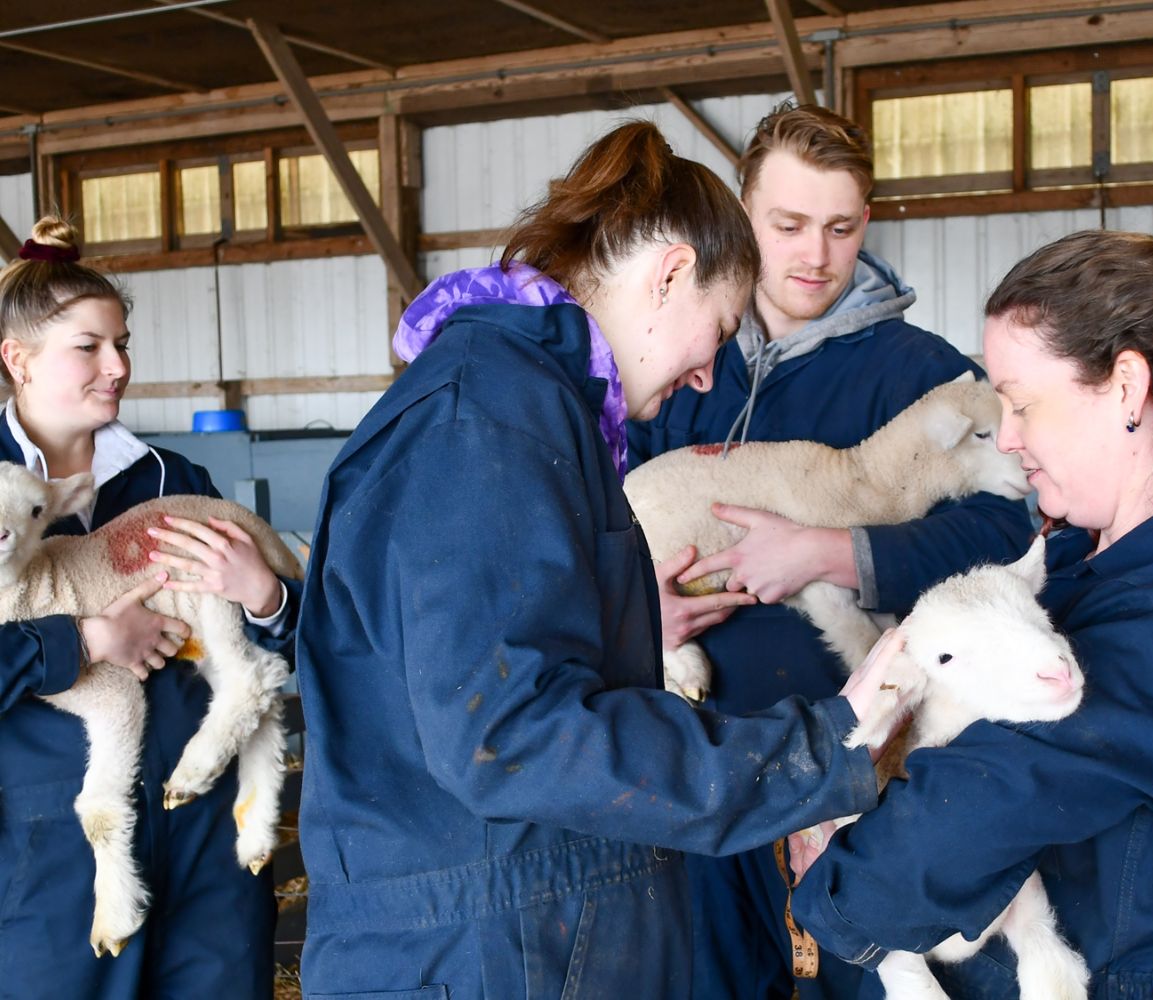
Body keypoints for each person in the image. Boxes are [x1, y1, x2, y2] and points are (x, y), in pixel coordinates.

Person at [292, 121, 906, 999]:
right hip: (488, 953)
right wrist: (806, 754)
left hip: (516, 932)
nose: (705, 379)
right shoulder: (485, 424)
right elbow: (510, 736)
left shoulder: (528, 409)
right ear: (669, 273)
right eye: (721, 327)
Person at [788, 229, 1153, 998]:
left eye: (1020, 404)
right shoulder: (1081, 563)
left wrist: (830, 897)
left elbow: (987, 797)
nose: (1008, 438)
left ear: (1124, 388)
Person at [627, 102, 1033, 999]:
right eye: (788, 225)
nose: (815, 254)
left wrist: (833, 553)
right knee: (713, 977)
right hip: (697, 759)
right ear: (742, 217)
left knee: (866, 974)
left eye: (841, 227)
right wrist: (637, 608)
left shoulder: (918, 373)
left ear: (867, 224)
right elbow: (607, 522)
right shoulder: (684, 367)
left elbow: (1007, 530)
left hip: (863, 759)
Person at [0, 218, 299, 999]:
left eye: (123, 343)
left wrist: (264, 595)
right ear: (16, 359)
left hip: (201, 830)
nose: (118, 366)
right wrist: (81, 641)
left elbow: (293, 636)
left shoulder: (171, 476)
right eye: (90, 347)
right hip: (49, 845)